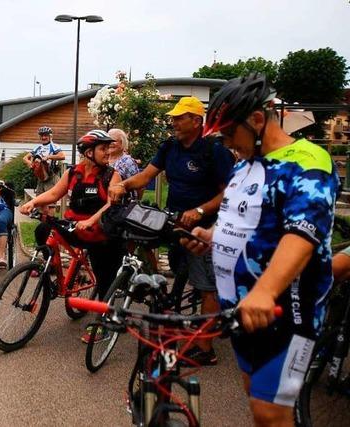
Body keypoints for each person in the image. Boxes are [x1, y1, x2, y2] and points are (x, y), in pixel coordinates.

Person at [182, 73, 338, 426]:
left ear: (256, 120)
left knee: (271, 412)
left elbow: (304, 232)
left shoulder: (307, 160)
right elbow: (243, 223)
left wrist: (266, 291)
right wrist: (209, 237)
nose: (225, 143)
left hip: (285, 309)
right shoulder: (243, 165)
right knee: (257, 397)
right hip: (241, 308)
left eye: (229, 134)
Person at [109, 96, 236, 365]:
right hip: (174, 220)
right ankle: (172, 308)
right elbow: (146, 176)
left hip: (203, 228)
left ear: (196, 121)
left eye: (179, 117)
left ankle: (206, 349)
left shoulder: (214, 151)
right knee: (170, 263)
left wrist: (200, 211)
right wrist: (123, 185)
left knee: (206, 286)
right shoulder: (170, 147)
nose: (173, 122)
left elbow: (229, 193)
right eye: (173, 117)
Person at [20, 130, 125, 342]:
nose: (108, 152)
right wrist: (33, 202)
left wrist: (90, 221)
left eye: (108, 148)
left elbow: (110, 205)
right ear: (88, 152)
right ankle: (50, 271)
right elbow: (53, 193)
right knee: (43, 230)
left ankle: (104, 324)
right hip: (75, 227)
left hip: (101, 233)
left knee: (105, 278)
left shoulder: (112, 175)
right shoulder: (73, 173)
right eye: (103, 148)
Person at [23, 126, 65, 197]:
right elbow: (25, 158)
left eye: (46, 135)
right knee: (39, 202)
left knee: (50, 202)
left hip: (51, 177)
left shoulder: (54, 146)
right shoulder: (38, 148)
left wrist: (48, 157)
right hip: (41, 177)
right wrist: (30, 163)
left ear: (50, 136)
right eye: (42, 135)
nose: (43, 137)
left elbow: (62, 156)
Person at [107, 128, 142, 200]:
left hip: (123, 203)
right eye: (108, 140)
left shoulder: (128, 162)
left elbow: (139, 186)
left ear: (122, 143)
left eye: (114, 140)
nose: (111, 143)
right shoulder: (103, 159)